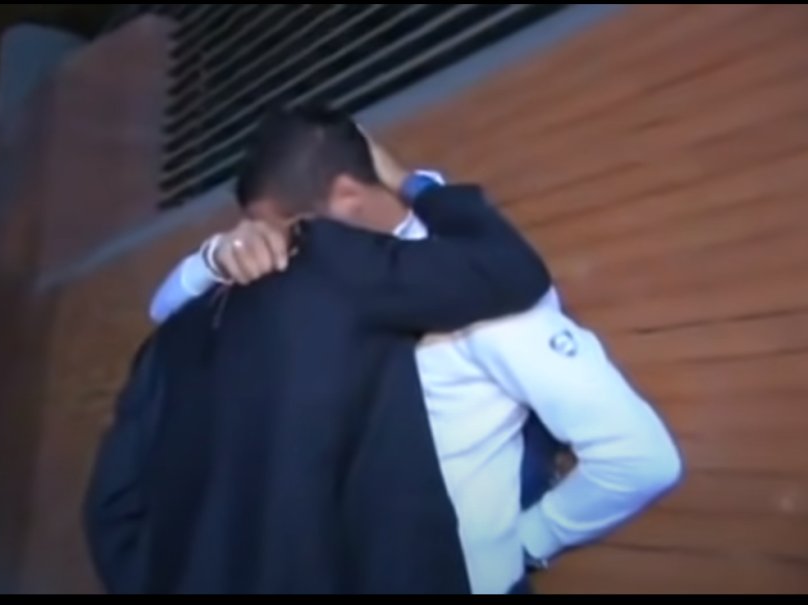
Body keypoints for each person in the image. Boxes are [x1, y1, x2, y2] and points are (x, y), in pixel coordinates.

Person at [148, 113, 684, 594]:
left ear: (347, 199)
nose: (279, 246)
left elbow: (640, 458)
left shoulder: (482, 292)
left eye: (287, 228)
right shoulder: (307, 275)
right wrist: (217, 257)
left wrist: (525, 544)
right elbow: (167, 316)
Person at [85, 107, 551, 594]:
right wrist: (410, 183)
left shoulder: (172, 338)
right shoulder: (340, 266)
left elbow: (111, 507)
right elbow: (509, 268)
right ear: (344, 196)